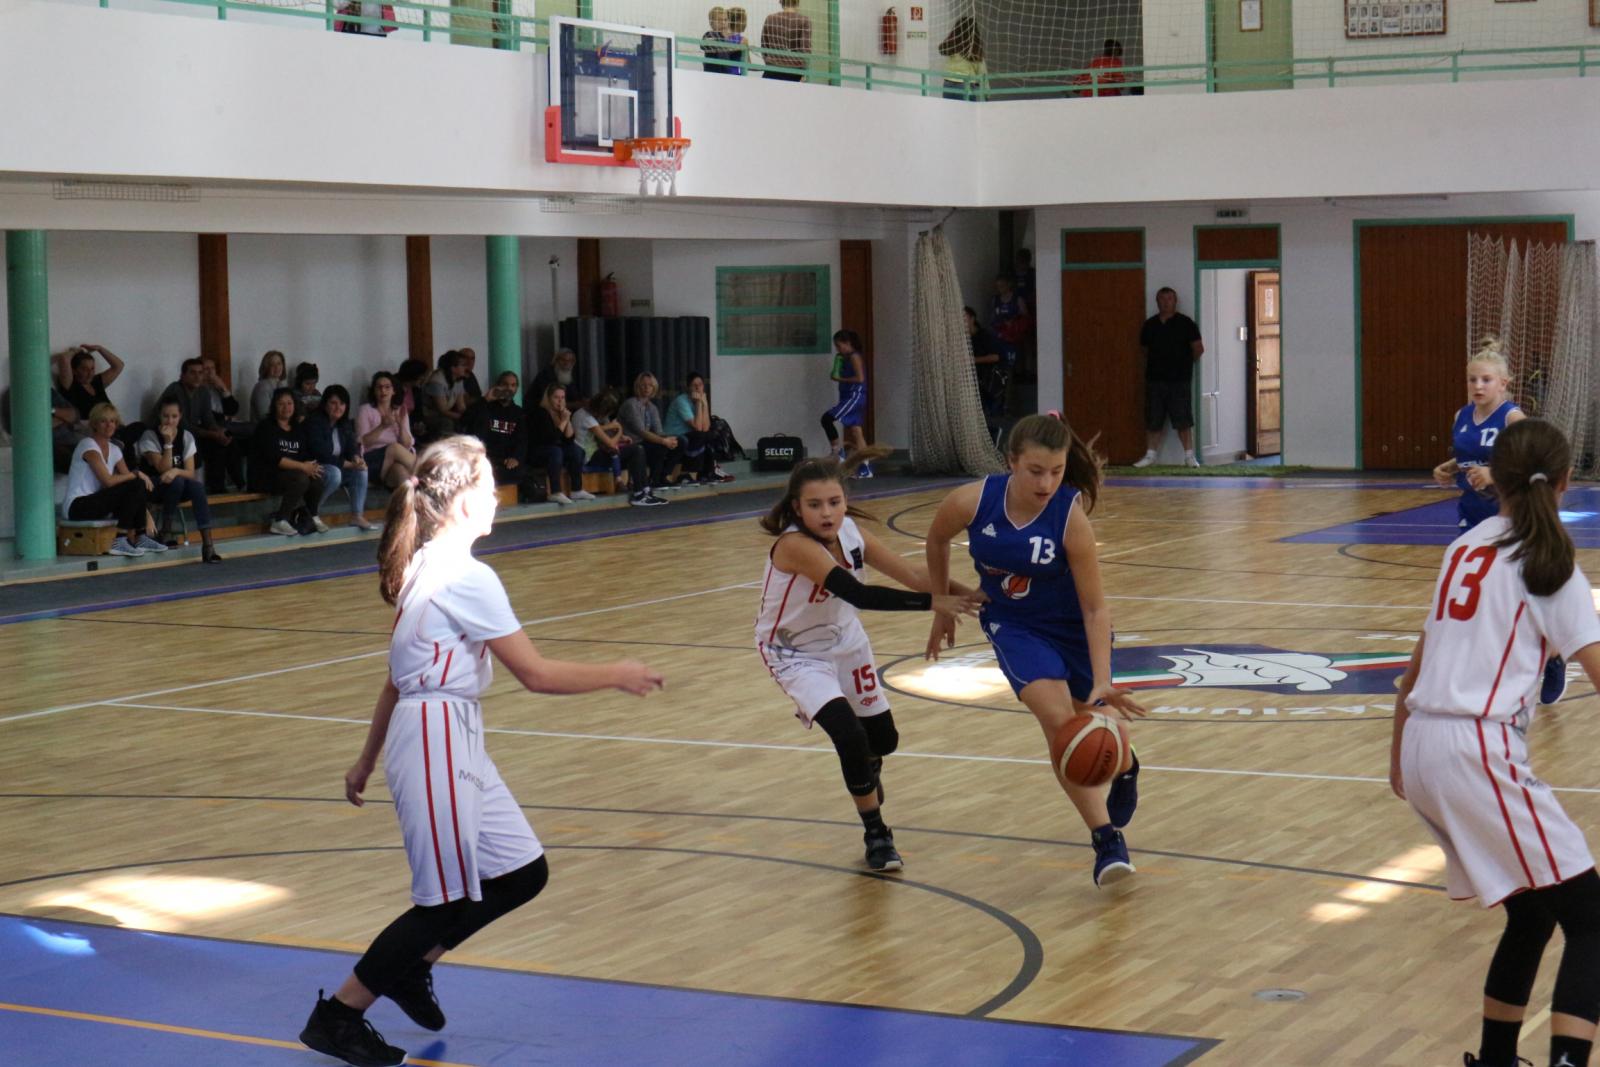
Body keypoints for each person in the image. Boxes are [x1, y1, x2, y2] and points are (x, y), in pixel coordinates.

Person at [297, 436, 664, 1067]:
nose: (497, 496)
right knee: (444, 901)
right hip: (436, 734)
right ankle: (339, 1015)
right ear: (463, 501)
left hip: (448, 730)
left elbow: (394, 679)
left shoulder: (423, 565)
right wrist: (616, 672)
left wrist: (366, 759)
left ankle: (414, 965)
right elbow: (536, 675)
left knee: (522, 872)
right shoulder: (465, 576)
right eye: (489, 487)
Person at [1390, 418, 1600, 1067]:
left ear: (1493, 480)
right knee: (1593, 919)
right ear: (1565, 481)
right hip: (1474, 747)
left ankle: (1496, 1058)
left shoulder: (1465, 547)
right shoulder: (1550, 562)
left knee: (1534, 911)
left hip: (1423, 742)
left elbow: (1414, 668)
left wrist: (1398, 755)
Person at [923, 414, 1147, 887]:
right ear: (1011, 462)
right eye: (1036, 471)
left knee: (1093, 721)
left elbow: (1095, 608)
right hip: (1015, 626)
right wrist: (941, 603)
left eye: (1057, 471)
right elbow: (937, 538)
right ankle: (1106, 839)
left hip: (1072, 626)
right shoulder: (971, 501)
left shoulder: (1069, 518)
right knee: (1061, 725)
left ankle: (1126, 765)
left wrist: (1103, 680)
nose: (1046, 483)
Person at [756, 450, 983, 871]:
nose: (827, 513)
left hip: (846, 642)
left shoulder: (852, 533)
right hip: (795, 653)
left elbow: (915, 576)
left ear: (846, 501)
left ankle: (867, 765)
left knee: (884, 741)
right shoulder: (794, 545)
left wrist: (976, 597)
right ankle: (877, 834)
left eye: (834, 502)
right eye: (815, 505)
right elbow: (859, 594)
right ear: (797, 508)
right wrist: (934, 603)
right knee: (849, 737)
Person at [1430, 340, 1566, 709]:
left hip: (1512, 514)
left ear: (1503, 383)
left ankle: (1553, 657)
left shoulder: (1512, 419)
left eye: (1486, 380)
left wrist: (1495, 473)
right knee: (1478, 590)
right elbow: (1467, 456)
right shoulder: (1461, 416)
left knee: (1524, 589)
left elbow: (1537, 465)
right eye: (1472, 379)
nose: (1478, 386)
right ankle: (1483, 662)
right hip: (1472, 512)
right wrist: (1449, 467)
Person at [62, 403, 160, 558]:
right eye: (104, 421)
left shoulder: (114, 449)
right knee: (135, 481)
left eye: (113, 421)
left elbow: (134, 486)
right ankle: (120, 540)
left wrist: (147, 517)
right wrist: (136, 473)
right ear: (95, 424)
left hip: (96, 503)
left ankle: (141, 537)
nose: (109, 425)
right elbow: (107, 481)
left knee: (137, 484)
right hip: (76, 506)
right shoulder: (87, 445)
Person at [138, 397, 222, 562]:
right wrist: (168, 443)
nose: (170, 421)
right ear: (159, 416)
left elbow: (190, 473)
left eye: (174, 416)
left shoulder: (186, 436)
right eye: (166, 416)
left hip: (177, 485)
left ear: (180, 416)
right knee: (176, 481)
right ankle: (166, 530)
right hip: (153, 486)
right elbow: (162, 468)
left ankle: (208, 544)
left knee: (196, 486)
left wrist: (176, 471)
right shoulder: (149, 436)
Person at [1131, 287, 1204, 468]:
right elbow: (1144, 350)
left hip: (1179, 380)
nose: (1165, 302)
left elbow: (1198, 349)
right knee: (1153, 418)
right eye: (1162, 299)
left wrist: (1183, 364)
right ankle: (1150, 456)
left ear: (1175, 301)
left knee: (1183, 419)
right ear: (1157, 302)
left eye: (1169, 299)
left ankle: (1189, 456)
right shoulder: (1150, 325)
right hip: (1155, 380)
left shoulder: (1186, 323)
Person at [158, 358, 239, 493]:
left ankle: (228, 487)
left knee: (225, 442)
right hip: (169, 434)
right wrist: (213, 435)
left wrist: (219, 432)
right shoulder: (175, 390)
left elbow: (208, 419)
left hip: (191, 434)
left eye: (200, 373)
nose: (197, 377)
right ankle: (202, 489)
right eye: (192, 373)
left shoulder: (203, 391)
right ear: (182, 376)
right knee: (204, 442)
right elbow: (183, 426)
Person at [573, 389, 662, 507]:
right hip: (589, 457)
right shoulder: (587, 419)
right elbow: (610, 443)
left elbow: (603, 434)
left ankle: (645, 489)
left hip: (595, 452)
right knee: (636, 450)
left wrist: (621, 438)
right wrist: (619, 429)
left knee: (637, 450)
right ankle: (639, 493)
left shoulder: (584, 414)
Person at [253, 387, 324, 536]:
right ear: (274, 406)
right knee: (301, 478)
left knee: (316, 476)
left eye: (289, 403)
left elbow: (304, 454)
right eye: (281, 403)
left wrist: (311, 466)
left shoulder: (297, 428)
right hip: (268, 475)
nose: (286, 407)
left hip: (291, 474)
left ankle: (313, 515)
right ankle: (280, 520)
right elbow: (275, 459)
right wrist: (303, 467)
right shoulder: (266, 427)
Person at [461, 371, 539, 502]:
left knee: (522, 473)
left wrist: (515, 458)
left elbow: (522, 440)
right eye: (505, 384)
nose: (509, 388)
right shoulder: (485, 407)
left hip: (507, 462)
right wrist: (485, 399)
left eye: (513, 385)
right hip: (486, 458)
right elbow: (464, 419)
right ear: (498, 385)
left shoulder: (518, 413)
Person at [305, 384, 374, 532]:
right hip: (315, 466)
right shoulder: (314, 422)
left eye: (342, 403)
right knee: (334, 474)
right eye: (333, 403)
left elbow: (351, 446)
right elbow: (321, 454)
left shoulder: (344, 424)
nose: (338, 407)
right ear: (325, 404)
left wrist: (356, 458)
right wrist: (349, 464)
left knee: (362, 470)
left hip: (338, 465)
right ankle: (310, 512)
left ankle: (357, 515)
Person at [619, 372, 686, 495]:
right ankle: (654, 480)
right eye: (643, 385)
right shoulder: (631, 404)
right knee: (660, 445)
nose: (646, 388)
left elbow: (659, 431)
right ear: (637, 386)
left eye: (650, 385)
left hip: (646, 442)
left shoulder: (652, 407)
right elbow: (642, 432)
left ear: (654, 388)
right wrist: (663, 441)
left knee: (681, 441)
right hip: (633, 444)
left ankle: (663, 476)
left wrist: (670, 439)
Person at [528, 383, 595, 506]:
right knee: (556, 451)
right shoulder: (541, 413)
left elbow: (569, 439)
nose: (560, 401)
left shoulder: (560, 413)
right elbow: (551, 439)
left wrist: (567, 420)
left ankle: (576, 490)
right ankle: (555, 492)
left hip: (554, 450)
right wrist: (563, 421)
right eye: (556, 397)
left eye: (562, 397)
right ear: (548, 398)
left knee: (576, 450)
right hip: (538, 451)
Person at [357, 371, 418, 491]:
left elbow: (407, 444)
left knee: (401, 473)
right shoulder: (365, 410)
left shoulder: (400, 411)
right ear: (374, 391)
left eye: (387, 387)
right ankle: (427, 473)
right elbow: (363, 442)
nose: (383, 391)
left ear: (393, 391)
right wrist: (382, 426)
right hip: (372, 460)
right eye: (379, 387)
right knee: (394, 448)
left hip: (394, 462)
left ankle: (409, 502)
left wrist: (401, 425)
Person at [823, 330, 871, 478]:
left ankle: (837, 452)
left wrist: (840, 379)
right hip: (846, 395)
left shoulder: (854, 356)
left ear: (848, 343)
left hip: (854, 395)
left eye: (839, 345)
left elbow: (860, 378)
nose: (838, 349)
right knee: (856, 431)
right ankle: (865, 467)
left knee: (827, 418)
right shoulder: (843, 358)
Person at [662, 372, 722, 484]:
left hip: (689, 435)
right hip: (674, 436)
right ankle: (684, 474)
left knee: (709, 435)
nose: (698, 387)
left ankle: (705, 473)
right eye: (694, 385)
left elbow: (705, 428)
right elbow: (698, 427)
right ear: (688, 388)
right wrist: (699, 403)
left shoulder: (700, 400)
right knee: (699, 436)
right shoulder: (681, 401)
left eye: (700, 384)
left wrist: (705, 404)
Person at [55, 344, 125, 424]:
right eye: (85, 369)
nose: (90, 373)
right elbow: (64, 358)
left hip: (113, 425)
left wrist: (99, 349)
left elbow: (119, 366)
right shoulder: (70, 385)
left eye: (92, 368)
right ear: (74, 371)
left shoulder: (96, 382)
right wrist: (77, 351)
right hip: (92, 428)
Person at [966, 306, 1010, 421]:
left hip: (990, 378)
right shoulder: (963, 339)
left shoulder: (985, 336)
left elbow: (996, 356)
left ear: (972, 319)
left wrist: (972, 360)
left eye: (964, 317)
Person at [938, 15, 986, 100]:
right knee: (968, 109)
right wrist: (986, 94)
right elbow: (982, 74)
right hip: (966, 85)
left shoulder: (952, 49)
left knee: (949, 108)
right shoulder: (974, 51)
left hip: (948, 84)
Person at [759, 0, 810, 81]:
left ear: (781, 2)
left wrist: (770, 62)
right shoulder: (804, 20)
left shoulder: (770, 18)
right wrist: (804, 71)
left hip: (772, 69)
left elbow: (764, 46)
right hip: (794, 71)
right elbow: (805, 49)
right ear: (797, 2)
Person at [423, 351, 470, 439]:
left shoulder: (459, 380)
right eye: (463, 365)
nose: (466, 368)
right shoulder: (436, 381)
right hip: (430, 415)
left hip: (446, 414)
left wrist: (469, 415)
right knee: (447, 423)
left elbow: (461, 406)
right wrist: (462, 417)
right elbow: (442, 410)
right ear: (453, 368)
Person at [395, 359, 431, 444]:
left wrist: (418, 424)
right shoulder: (394, 388)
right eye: (422, 376)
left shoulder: (415, 389)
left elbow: (418, 410)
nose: (424, 378)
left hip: (410, 423)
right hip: (397, 423)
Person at [251, 350, 289, 422]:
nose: (277, 367)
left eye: (279, 363)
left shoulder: (282, 385)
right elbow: (264, 416)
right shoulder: (262, 387)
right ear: (266, 367)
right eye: (272, 364)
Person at [702, 6, 738, 73]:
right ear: (711, 23)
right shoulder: (710, 34)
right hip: (712, 73)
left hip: (727, 74)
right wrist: (723, 37)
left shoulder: (730, 38)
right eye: (719, 20)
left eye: (725, 20)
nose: (723, 23)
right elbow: (704, 45)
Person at [726, 7, 749, 74]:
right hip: (730, 74)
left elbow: (748, 64)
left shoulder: (743, 40)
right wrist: (739, 46)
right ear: (739, 22)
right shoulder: (723, 37)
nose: (746, 24)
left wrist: (766, 67)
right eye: (744, 21)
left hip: (736, 75)